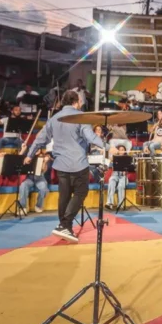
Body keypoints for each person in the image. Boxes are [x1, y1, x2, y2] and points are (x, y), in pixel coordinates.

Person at [25, 90, 116, 243]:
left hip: (60, 164)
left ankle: (64, 226)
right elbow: (91, 137)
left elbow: (40, 138)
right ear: (76, 101)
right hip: (78, 163)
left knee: (64, 196)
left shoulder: (54, 119)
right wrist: (107, 147)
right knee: (81, 192)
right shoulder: (80, 117)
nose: (81, 103)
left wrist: (29, 154)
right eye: (80, 100)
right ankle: (65, 224)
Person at [18, 149, 50, 214]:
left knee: (44, 188)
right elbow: (19, 159)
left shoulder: (42, 157)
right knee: (23, 185)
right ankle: (23, 207)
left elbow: (43, 170)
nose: (36, 150)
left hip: (40, 178)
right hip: (30, 178)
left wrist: (45, 162)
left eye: (38, 149)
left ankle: (38, 206)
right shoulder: (29, 157)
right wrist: (22, 150)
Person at [106, 145, 129, 210]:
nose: (121, 151)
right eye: (120, 150)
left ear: (124, 151)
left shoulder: (127, 159)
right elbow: (108, 163)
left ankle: (120, 204)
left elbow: (130, 168)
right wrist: (112, 158)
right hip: (115, 175)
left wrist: (125, 171)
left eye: (122, 150)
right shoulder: (114, 158)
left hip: (123, 177)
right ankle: (110, 203)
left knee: (120, 186)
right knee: (111, 181)